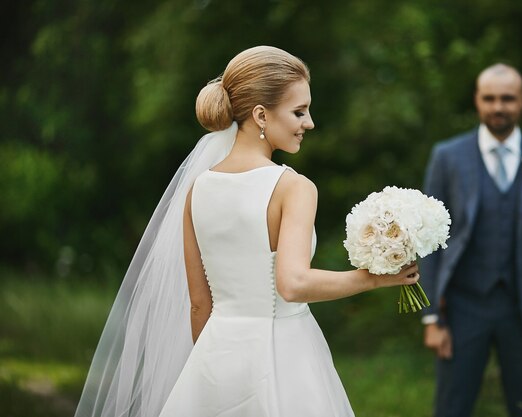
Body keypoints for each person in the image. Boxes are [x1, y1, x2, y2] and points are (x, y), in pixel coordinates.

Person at [74, 46, 419, 417]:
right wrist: (370, 280)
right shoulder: (294, 187)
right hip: (285, 355)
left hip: (216, 356)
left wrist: (210, 373)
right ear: (260, 115)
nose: (310, 122)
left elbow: (198, 303)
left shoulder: (198, 189)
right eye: (299, 111)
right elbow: (293, 284)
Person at [420, 63, 522, 417]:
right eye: (489, 98)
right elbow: (427, 241)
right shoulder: (447, 156)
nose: (498, 107)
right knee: (451, 407)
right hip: (461, 308)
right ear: (477, 100)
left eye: (507, 99)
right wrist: (430, 318)